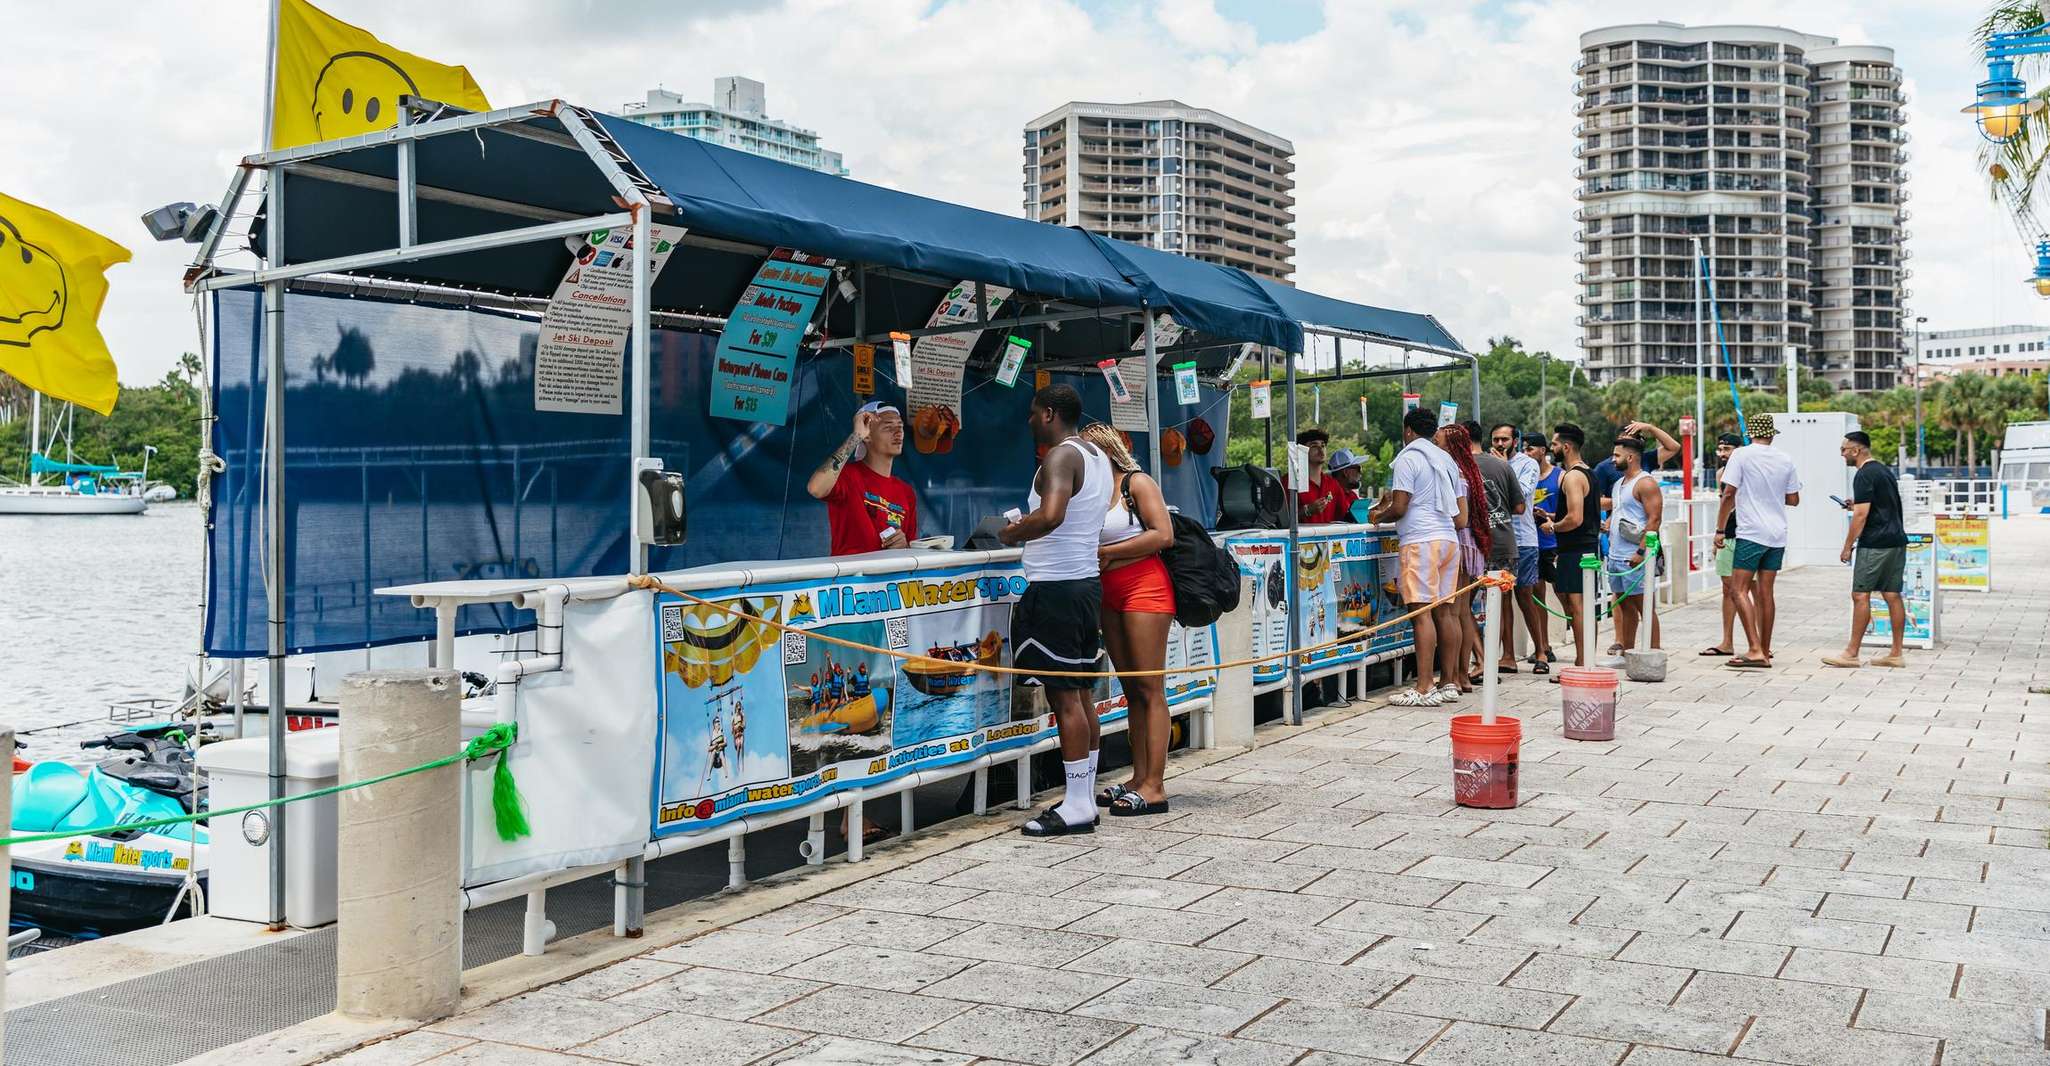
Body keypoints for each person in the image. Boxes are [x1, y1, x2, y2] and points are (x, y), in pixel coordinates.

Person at [1000, 384, 1114, 835]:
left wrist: (1011, 532)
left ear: (1049, 414)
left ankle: (1077, 804)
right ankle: (1082, 798)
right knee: (1083, 695)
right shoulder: (1099, 456)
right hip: (1085, 583)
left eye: (1032, 413)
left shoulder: (1061, 456)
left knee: (1065, 697)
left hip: (1058, 588)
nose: (1028, 421)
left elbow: (1050, 515)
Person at [1080, 422, 1178, 816]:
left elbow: (1163, 534)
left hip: (1145, 589)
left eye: (1089, 451)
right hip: (1109, 592)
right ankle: (1139, 777)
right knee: (1131, 689)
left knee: (1150, 688)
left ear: (1106, 451)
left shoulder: (1135, 483)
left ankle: (1154, 785)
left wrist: (1113, 555)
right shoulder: (1088, 492)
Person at [1369, 406, 1463, 707]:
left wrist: (1377, 515)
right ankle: (1449, 682)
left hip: (1421, 541)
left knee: (1421, 614)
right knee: (1446, 612)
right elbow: (1459, 510)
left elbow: (1400, 507)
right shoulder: (1446, 459)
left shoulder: (1408, 458)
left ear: (1408, 431)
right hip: (1449, 539)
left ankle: (1424, 687)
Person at [1717, 412, 1802, 669]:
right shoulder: (1785, 459)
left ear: (1750, 434)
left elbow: (1728, 492)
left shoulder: (1741, 455)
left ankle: (1754, 649)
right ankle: (1764, 650)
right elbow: (1794, 500)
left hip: (1751, 532)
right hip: (1777, 534)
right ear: (1771, 435)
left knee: (1737, 589)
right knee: (1766, 593)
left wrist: (1720, 529)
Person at [1825, 431, 1908, 669]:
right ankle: (1896, 653)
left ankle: (1851, 653)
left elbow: (1860, 516)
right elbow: (1879, 503)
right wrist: (1855, 502)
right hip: (1896, 540)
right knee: (1892, 595)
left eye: (1844, 450)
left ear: (1856, 450)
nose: (1842, 454)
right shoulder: (1883, 470)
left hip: (1875, 543)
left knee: (1860, 595)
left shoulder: (1863, 474)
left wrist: (1847, 546)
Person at [807, 401, 919, 555]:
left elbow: (913, 552)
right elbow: (815, 488)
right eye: (888, 427)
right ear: (867, 436)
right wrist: (856, 436)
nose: (898, 433)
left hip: (890, 578)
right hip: (851, 577)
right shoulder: (847, 476)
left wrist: (904, 545)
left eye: (900, 427)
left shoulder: (906, 492)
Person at [1466, 421, 1526, 676]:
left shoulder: (1461, 467)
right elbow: (1520, 507)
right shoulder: (1503, 465)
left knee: (1461, 605)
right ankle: (1506, 657)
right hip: (1504, 541)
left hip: (1474, 545)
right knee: (1502, 603)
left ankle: (1481, 658)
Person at [1439, 423, 1496, 691]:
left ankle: (1456, 676)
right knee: (1462, 612)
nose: (1435, 444)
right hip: (1471, 544)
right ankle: (1461, 675)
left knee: (1454, 612)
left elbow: (1458, 517)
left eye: (1439, 441)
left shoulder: (1456, 473)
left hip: (1460, 543)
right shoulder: (1468, 470)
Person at [1601, 435, 1664, 662]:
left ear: (1630, 457)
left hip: (1634, 556)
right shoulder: (1619, 484)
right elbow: (1620, 512)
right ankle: (1627, 652)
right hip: (1616, 555)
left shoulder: (1645, 483)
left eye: (1617, 455)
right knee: (1624, 604)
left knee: (1644, 606)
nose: (1612, 459)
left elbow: (1654, 519)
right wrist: (1606, 525)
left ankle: (1654, 654)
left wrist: (1641, 552)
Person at [1542, 424, 1599, 672]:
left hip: (1576, 551)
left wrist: (1553, 526)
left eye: (1554, 444)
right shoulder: (1589, 473)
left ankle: (1582, 663)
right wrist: (1554, 515)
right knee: (1582, 607)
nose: (1551, 448)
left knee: (1577, 608)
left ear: (1565, 447)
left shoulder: (1573, 476)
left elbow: (1575, 518)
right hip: (1586, 548)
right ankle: (1587, 659)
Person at [1700, 434, 1744, 658]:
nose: (1722, 454)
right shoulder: (1721, 474)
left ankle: (1760, 643)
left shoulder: (1747, 470)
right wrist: (1719, 532)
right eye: (1720, 449)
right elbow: (1724, 502)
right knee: (1728, 589)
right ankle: (1727, 641)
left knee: (1751, 589)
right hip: (1728, 534)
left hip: (1747, 534)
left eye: (1727, 449)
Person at [1522, 432, 1559, 673]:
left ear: (1543, 451)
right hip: (1530, 541)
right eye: (1524, 449)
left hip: (1551, 542)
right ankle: (1542, 646)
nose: (1527, 453)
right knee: (1536, 595)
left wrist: (1547, 517)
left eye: (1531, 449)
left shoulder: (1558, 476)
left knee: (1564, 595)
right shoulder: (1525, 474)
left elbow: (1567, 511)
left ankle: (1581, 650)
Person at [1287, 427, 1352, 524]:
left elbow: (1344, 516)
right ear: (1301, 451)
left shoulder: (1333, 484)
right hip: (1301, 539)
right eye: (1314, 446)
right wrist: (1306, 511)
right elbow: (1279, 520)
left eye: (1323, 445)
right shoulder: (1289, 481)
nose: (1320, 449)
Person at [1326, 448, 1366, 518]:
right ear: (1345, 472)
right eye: (1358, 469)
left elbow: (1359, 517)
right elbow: (1347, 517)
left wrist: (1380, 506)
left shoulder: (1352, 495)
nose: (1360, 473)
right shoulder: (1330, 494)